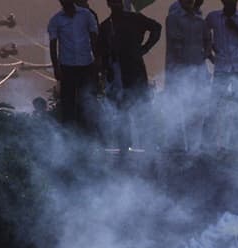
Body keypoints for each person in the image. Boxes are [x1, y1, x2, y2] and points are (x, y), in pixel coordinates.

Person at [97, 0, 161, 149]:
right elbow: (101, 52)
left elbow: (156, 28)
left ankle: (147, 145)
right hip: (117, 72)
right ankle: (125, 146)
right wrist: (106, 71)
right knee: (120, 110)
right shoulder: (106, 26)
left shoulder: (134, 18)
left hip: (134, 70)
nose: (115, 4)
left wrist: (145, 48)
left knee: (141, 108)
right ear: (109, 4)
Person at [204, 0, 238, 147]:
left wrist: (236, 29)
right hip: (221, 68)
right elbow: (203, 35)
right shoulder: (212, 17)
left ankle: (236, 143)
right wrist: (211, 52)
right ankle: (209, 143)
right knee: (214, 105)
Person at [48, 0, 100, 130]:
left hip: (86, 64)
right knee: (68, 103)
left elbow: (94, 38)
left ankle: (88, 133)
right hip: (67, 66)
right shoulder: (56, 20)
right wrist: (56, 67)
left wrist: (98, 60)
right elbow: (53, 45)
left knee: (87, 101)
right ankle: (69, 136)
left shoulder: (86, 15)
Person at [165, 0, 209, 150]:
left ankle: (194, 145)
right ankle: (177, 146)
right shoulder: (174, 17)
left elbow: (207, 39)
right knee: (179, 107)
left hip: (197, 69)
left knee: (196, 107)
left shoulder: (199, 20)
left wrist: (205, 55)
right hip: (180, 70)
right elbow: (176, 43)